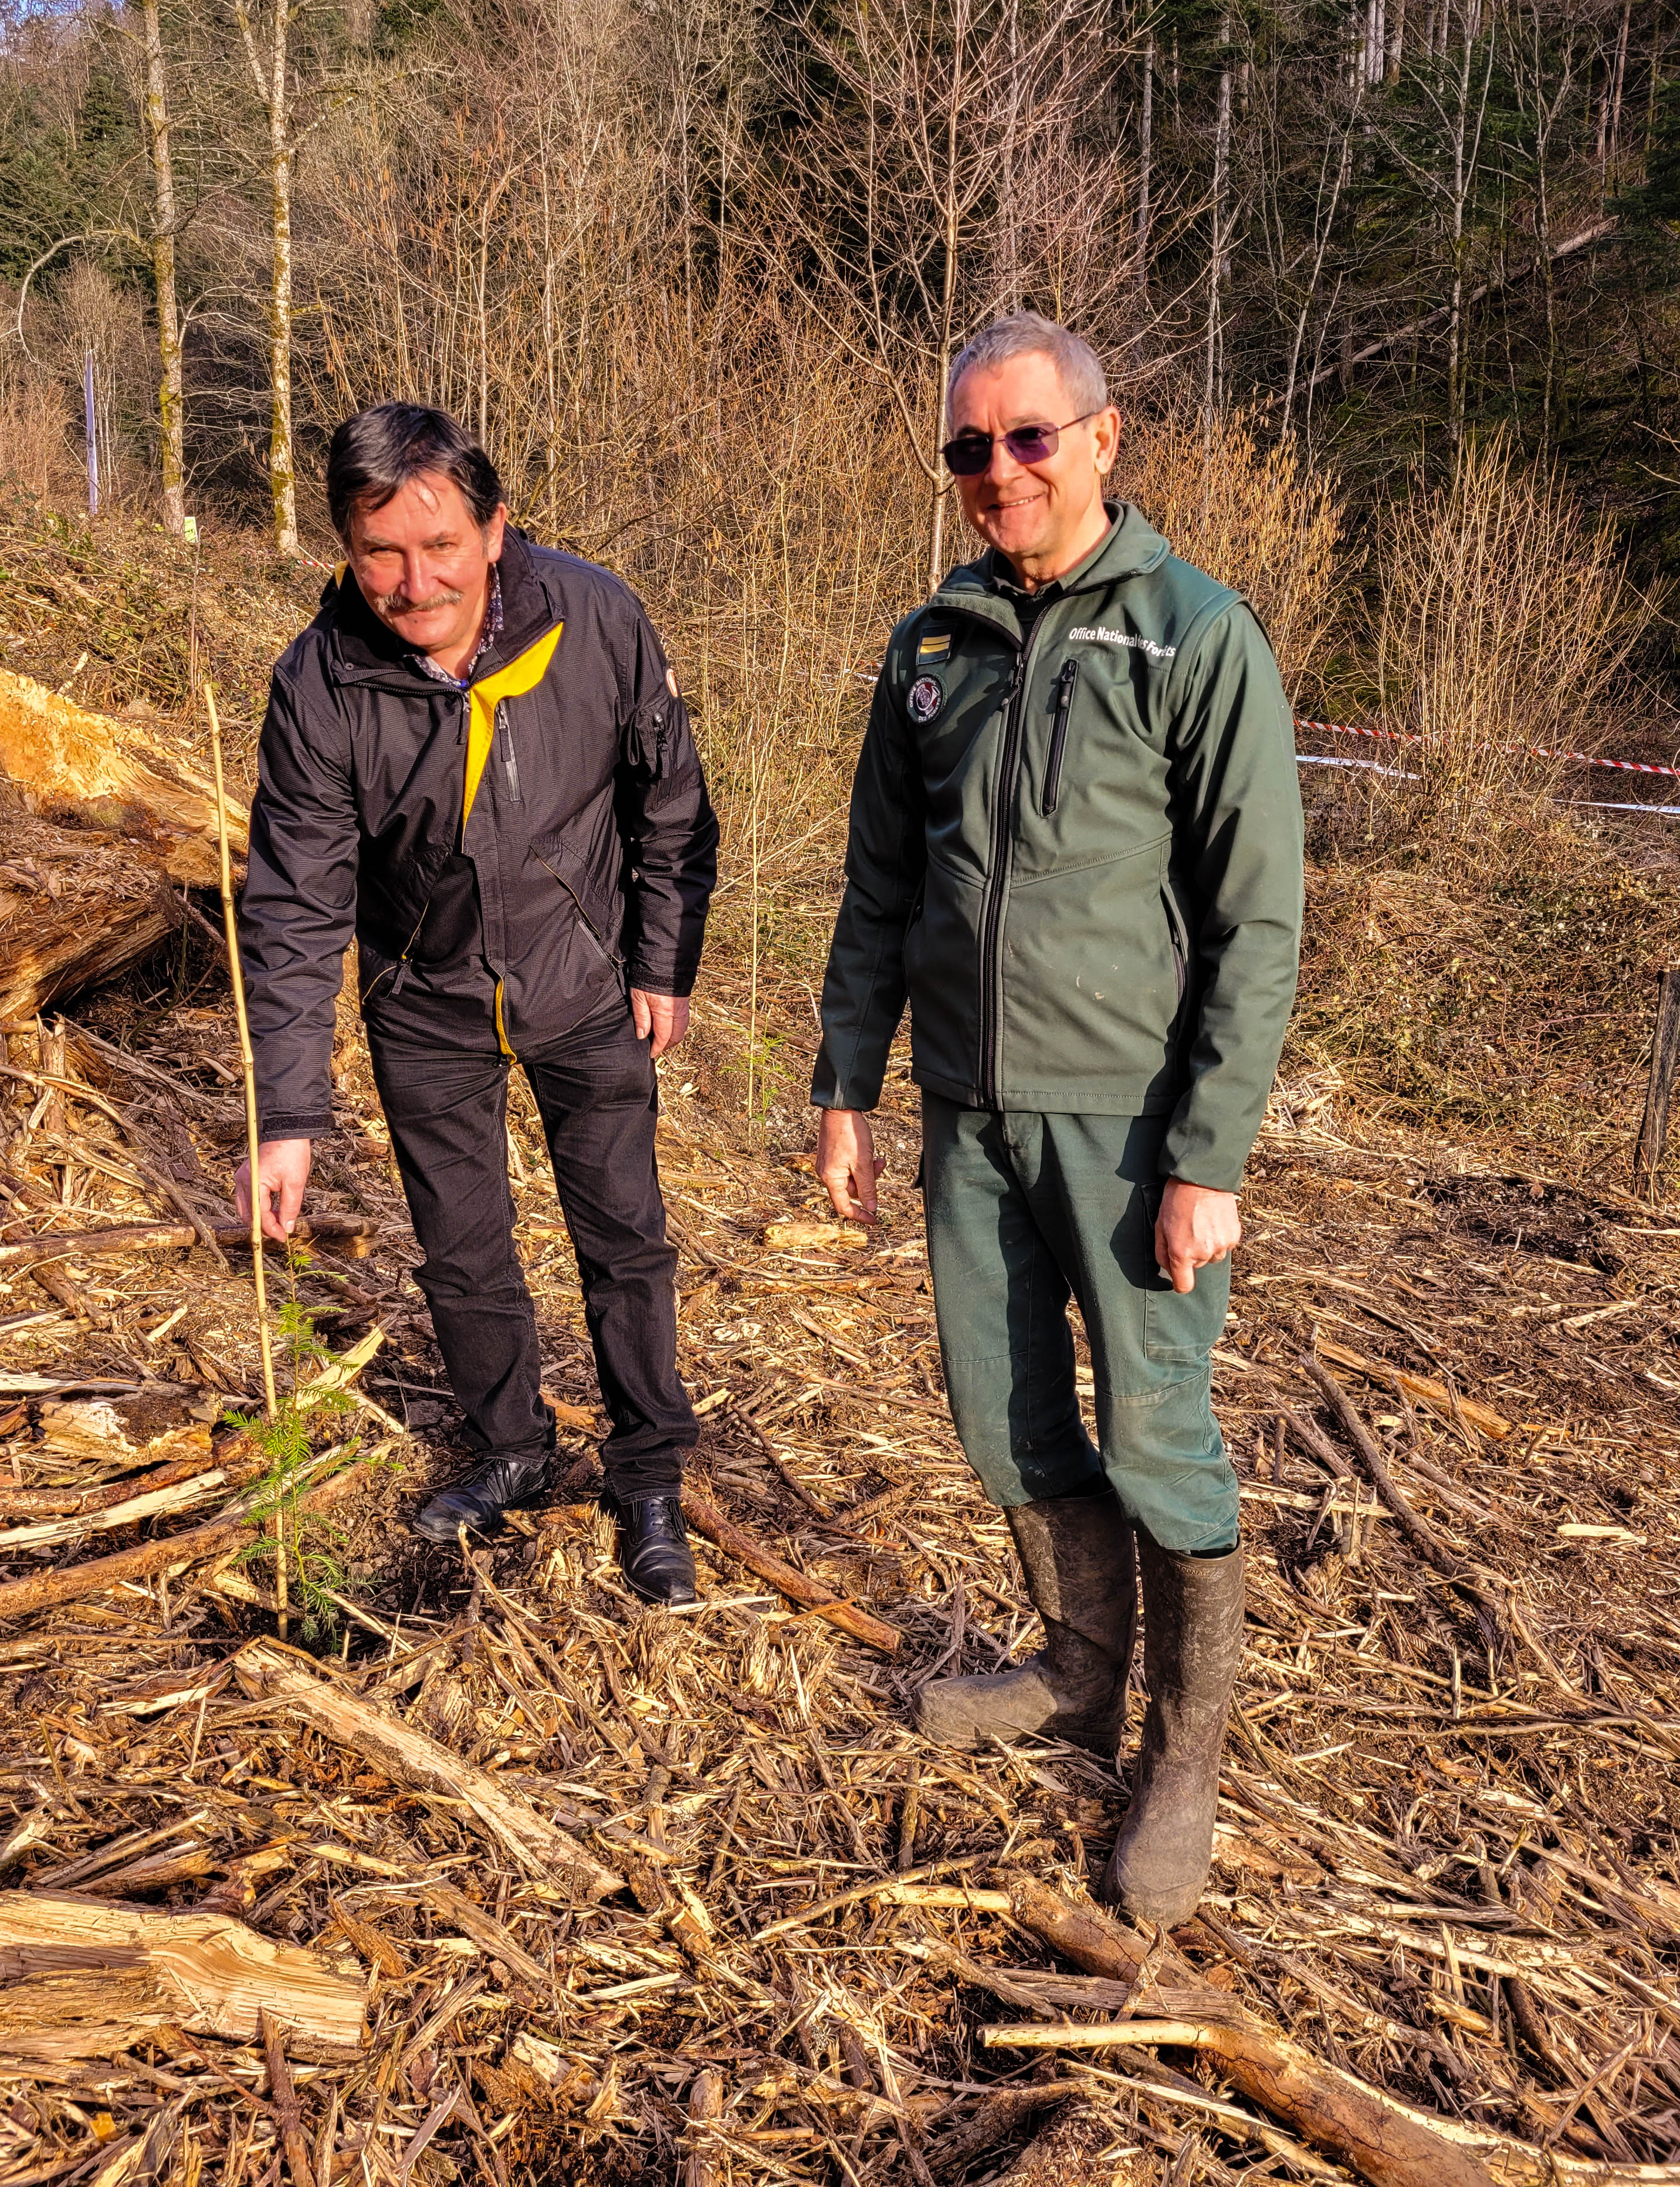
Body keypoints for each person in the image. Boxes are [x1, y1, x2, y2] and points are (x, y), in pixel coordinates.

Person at [811, 312, 1303, 1925]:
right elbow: (881, 884)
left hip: (1131, 1122)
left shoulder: (1194, 636)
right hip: (969, 1114)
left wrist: (1208, 1155)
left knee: (1159, 1440)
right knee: (1000, 1416)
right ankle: (1080, 1675)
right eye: (969, 447)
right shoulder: (929, 649)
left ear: (1104, 440)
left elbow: (1257, 920)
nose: (999, 472)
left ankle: (1185, 1753)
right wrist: (847, 1087)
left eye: (1028, 439)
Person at [232, 402, 719, 1607]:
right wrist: (284, 1116)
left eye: (439, 543)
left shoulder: (593, 617)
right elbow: (295, 898)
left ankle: (648, 1474)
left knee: (625, 1238)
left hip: (586, 979)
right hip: (424, 996)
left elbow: (672, 801)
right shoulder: (322, 682)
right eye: (379, 552)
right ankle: (510, 1447)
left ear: (495, 530)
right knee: (462, 1251)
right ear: (345, 549)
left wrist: (660, 959)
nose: (413, 580)